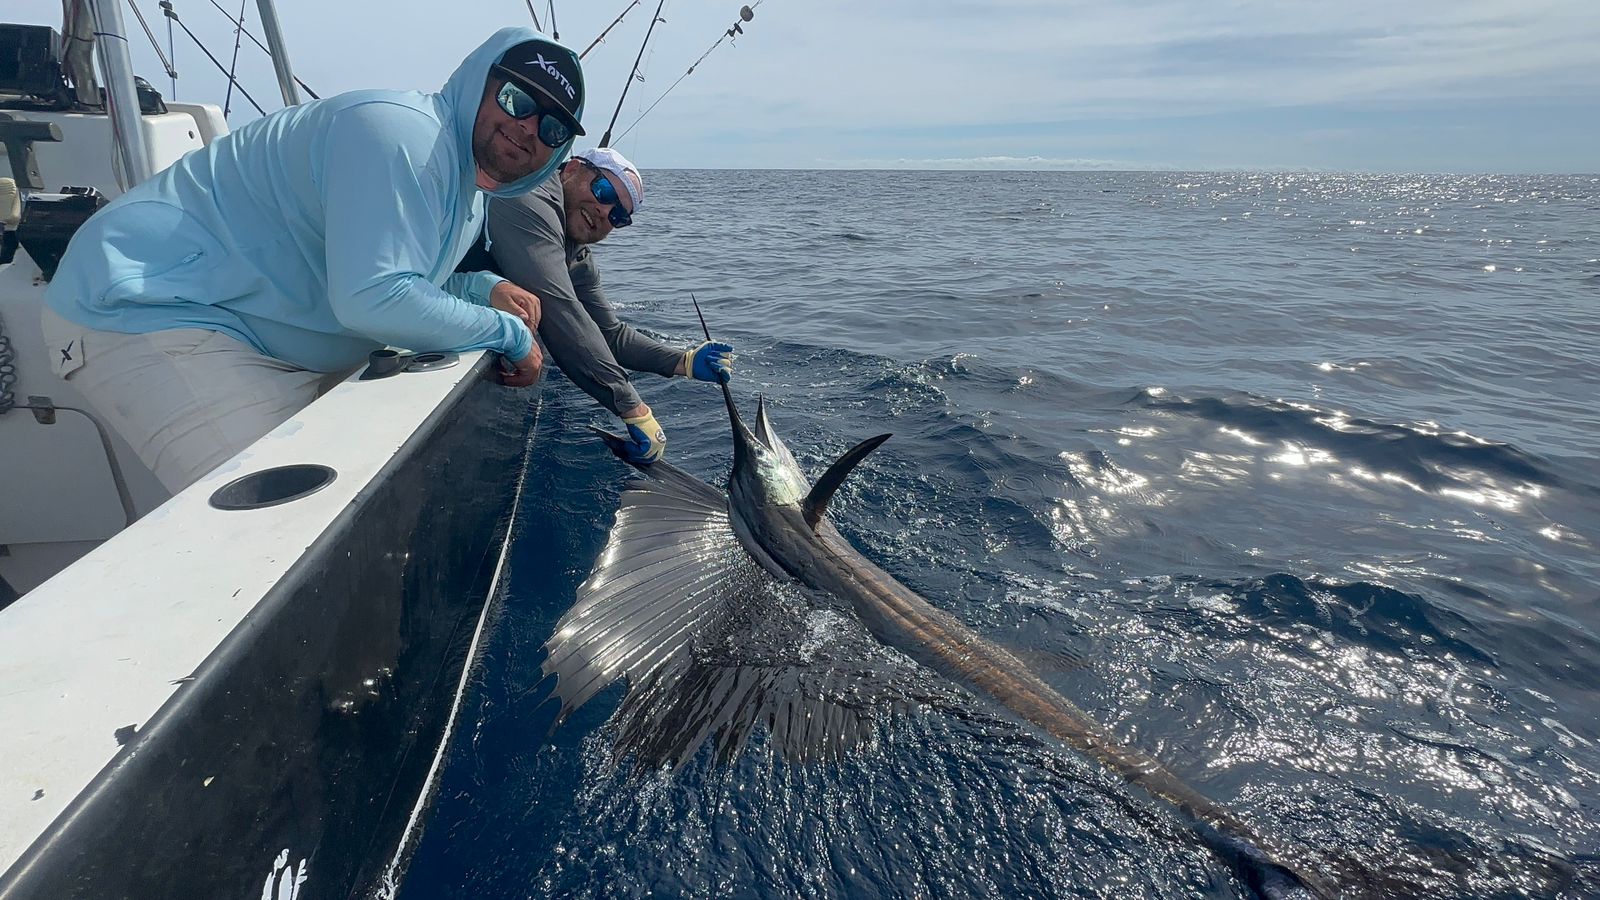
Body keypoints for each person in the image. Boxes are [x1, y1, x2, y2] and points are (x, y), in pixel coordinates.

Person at [39, 27, 583, 492]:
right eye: (516, 100)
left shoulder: (468, 192)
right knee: (265, 538)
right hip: (149, 307)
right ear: (478, 83)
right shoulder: (403, 135)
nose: (530, 128)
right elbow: (373, 299)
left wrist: (477, 287)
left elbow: (392, 273)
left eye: (553, 127)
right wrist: (507, 335)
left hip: (259, 336)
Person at [459, 146, 733, 464]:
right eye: (603, 190)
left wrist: (683, 362)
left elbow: (611, 334)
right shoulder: (530, 194)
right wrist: (632, 407)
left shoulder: (577, 256)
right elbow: (559, 307)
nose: (606, 212)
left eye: (619, 216)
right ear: (572, 168)